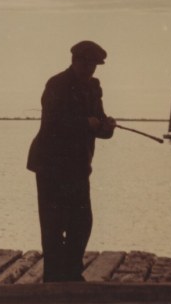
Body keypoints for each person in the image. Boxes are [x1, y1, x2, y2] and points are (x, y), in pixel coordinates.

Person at [26, 41, 117, 282]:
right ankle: (55, 278)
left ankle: (72, 272)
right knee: (53, 224)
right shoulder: (56, 84)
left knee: (82, 222)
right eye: (88, 64)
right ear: (76, 60)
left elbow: (98, 125)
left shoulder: (94, 87)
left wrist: (107, 127)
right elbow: (53, 124)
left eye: (95, 65)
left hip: (78, 166)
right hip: (50, 165)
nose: (91, 69)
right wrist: (85, 123)